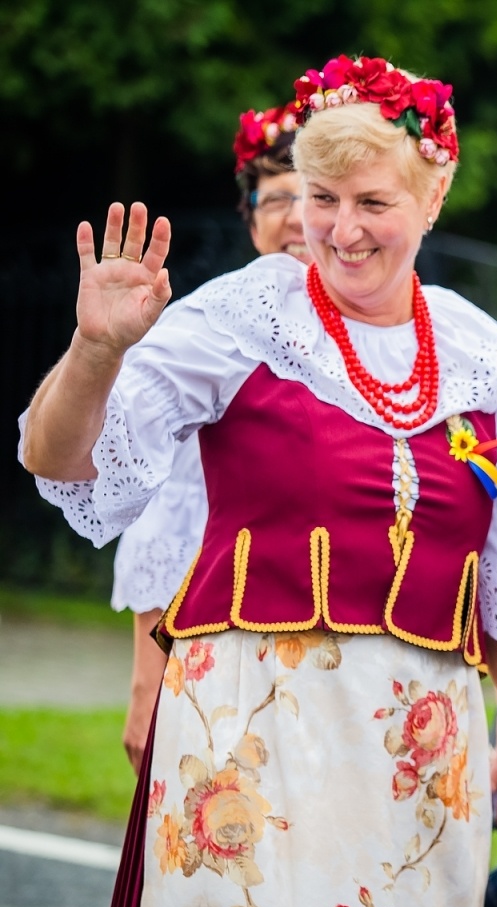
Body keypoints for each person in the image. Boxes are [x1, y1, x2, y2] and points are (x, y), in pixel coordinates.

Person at [19, 55, 497, 907]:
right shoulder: (241, 316)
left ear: (434, 193)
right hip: (251, 732)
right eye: (319, 198)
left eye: (371, 201)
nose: (341, 228)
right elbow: (67, 463)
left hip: (421, 755)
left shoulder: (483, 354)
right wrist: (96, 351)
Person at [112, 102, 310, 768]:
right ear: (250, 215)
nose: (299, 217)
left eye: (315, 195)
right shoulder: (220, 329)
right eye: (278, 197)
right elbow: (161, 517)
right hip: (215, 632)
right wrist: (146, 682)